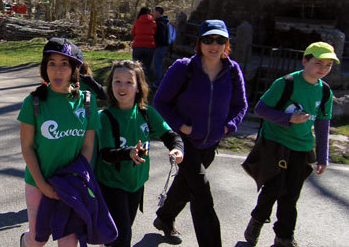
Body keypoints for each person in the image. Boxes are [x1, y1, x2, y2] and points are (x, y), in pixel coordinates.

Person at [152, 19, 247, 246]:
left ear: (227, 43)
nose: (214, 45)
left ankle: (164, 217)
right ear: (199, 43)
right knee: (202, 195)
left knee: (187, 184)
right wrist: (182, 126)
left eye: (220, 40)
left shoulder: (233, 71)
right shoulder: (183, 68)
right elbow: (161, 102)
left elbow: (241, 106)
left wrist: (227, 127)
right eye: (208, 40)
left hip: (211, 142)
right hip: (185, 141)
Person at [241, 42, 337, 247]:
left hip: (302, 149)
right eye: (318, 62)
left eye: (328, 65)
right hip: (276, 144)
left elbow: (322, 125)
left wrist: (322, 157)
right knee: (273, 189)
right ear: (305, 60)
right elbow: (260, 109)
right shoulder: (285, 83)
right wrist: (289, 119)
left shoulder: (326, 91)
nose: (323, 68)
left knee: (291, 195)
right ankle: (258, 219)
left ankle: (284, 237)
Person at [17, 38, 101, 247]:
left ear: (75, 70)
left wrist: (75, 178)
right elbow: (27, 147)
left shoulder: (87, 102)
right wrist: (44, 186)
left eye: (64, 64)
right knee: (38, 239)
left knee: (69, 240)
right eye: (52, 63)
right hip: (38, 182)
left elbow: (88, 145)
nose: (57, 70)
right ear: (45, 68)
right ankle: (25, 241)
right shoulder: (33, 102)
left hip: (71, 184)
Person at [95, 60, 184, 247]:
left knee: (119, 234)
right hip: (112, 185)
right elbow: (106, 154)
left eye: (129, 82)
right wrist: (128, 153)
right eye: (117, 81)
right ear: (110, 85)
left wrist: (177, 149)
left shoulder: (146, 113)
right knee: (122, 238)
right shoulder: (105, 117)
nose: (122, 86)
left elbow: (170, 135)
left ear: (138, 87)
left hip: (135, 185)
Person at [131, 7, 156, 78]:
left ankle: (135, 81)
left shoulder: (137, 22)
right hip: (149, 46)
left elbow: (133, 33)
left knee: (135, 66)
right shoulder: (153, 22)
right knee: (146, 67)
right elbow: (155, 32)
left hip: (138, 45)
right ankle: (145, 83)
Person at [152, 6, 170, 89]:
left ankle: (157, 83)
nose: (153, 13)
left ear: (158, 12)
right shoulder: (164, 22)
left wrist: (156, 43)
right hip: (163, 46)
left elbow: (161, 36)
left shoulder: (160, 23)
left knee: (157, 64)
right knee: (159, 64)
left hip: (160, 46)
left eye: (154, 12)